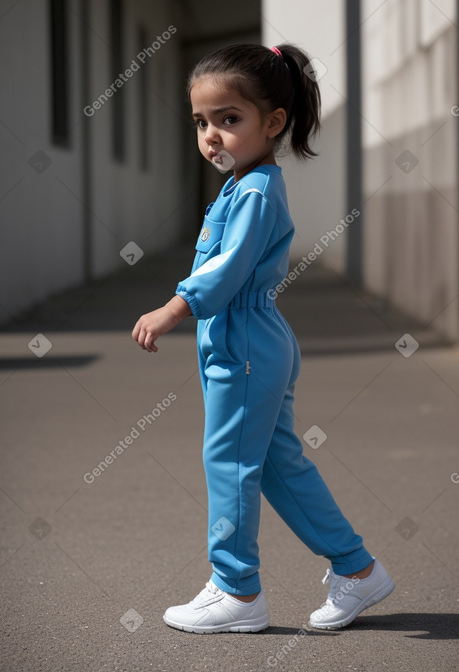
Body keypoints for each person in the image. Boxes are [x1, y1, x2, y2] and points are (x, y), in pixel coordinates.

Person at [132, 43, 395, 633]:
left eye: (230, 119)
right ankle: (357, 570)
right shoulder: (244, 184)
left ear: (273, 122)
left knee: (228, 461)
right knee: (275, 463)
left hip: (244, 341)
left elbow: (228, 270)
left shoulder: (253, 192)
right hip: (246, 340)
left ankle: (237, 590)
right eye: (201, 122)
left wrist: (175, 308)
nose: (211, 135)